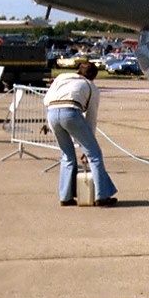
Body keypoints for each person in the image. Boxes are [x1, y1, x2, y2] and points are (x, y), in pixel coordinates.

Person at [44, 61, 118, 206]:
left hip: (52, 113)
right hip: (71, 111)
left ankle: (65, 196)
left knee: (67, 155)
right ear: (94, 77)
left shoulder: (61, 77)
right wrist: (87, 144)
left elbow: (46, 100)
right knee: (94, 155)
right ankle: (101, 195)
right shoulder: (91, 87)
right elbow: (91, 117)